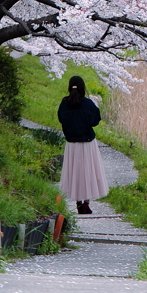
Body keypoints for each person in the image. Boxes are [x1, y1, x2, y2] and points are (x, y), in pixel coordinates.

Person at [57, 75, 109, 214]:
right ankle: (86, 203)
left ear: (69, 87)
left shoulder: (64, 104)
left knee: (74, 172)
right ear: (82, 87)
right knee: (88, 172)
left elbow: (61, 119)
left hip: (71, 144)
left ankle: (78, 202)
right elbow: (95, 120)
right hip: (87, 143)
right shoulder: (88, 104)